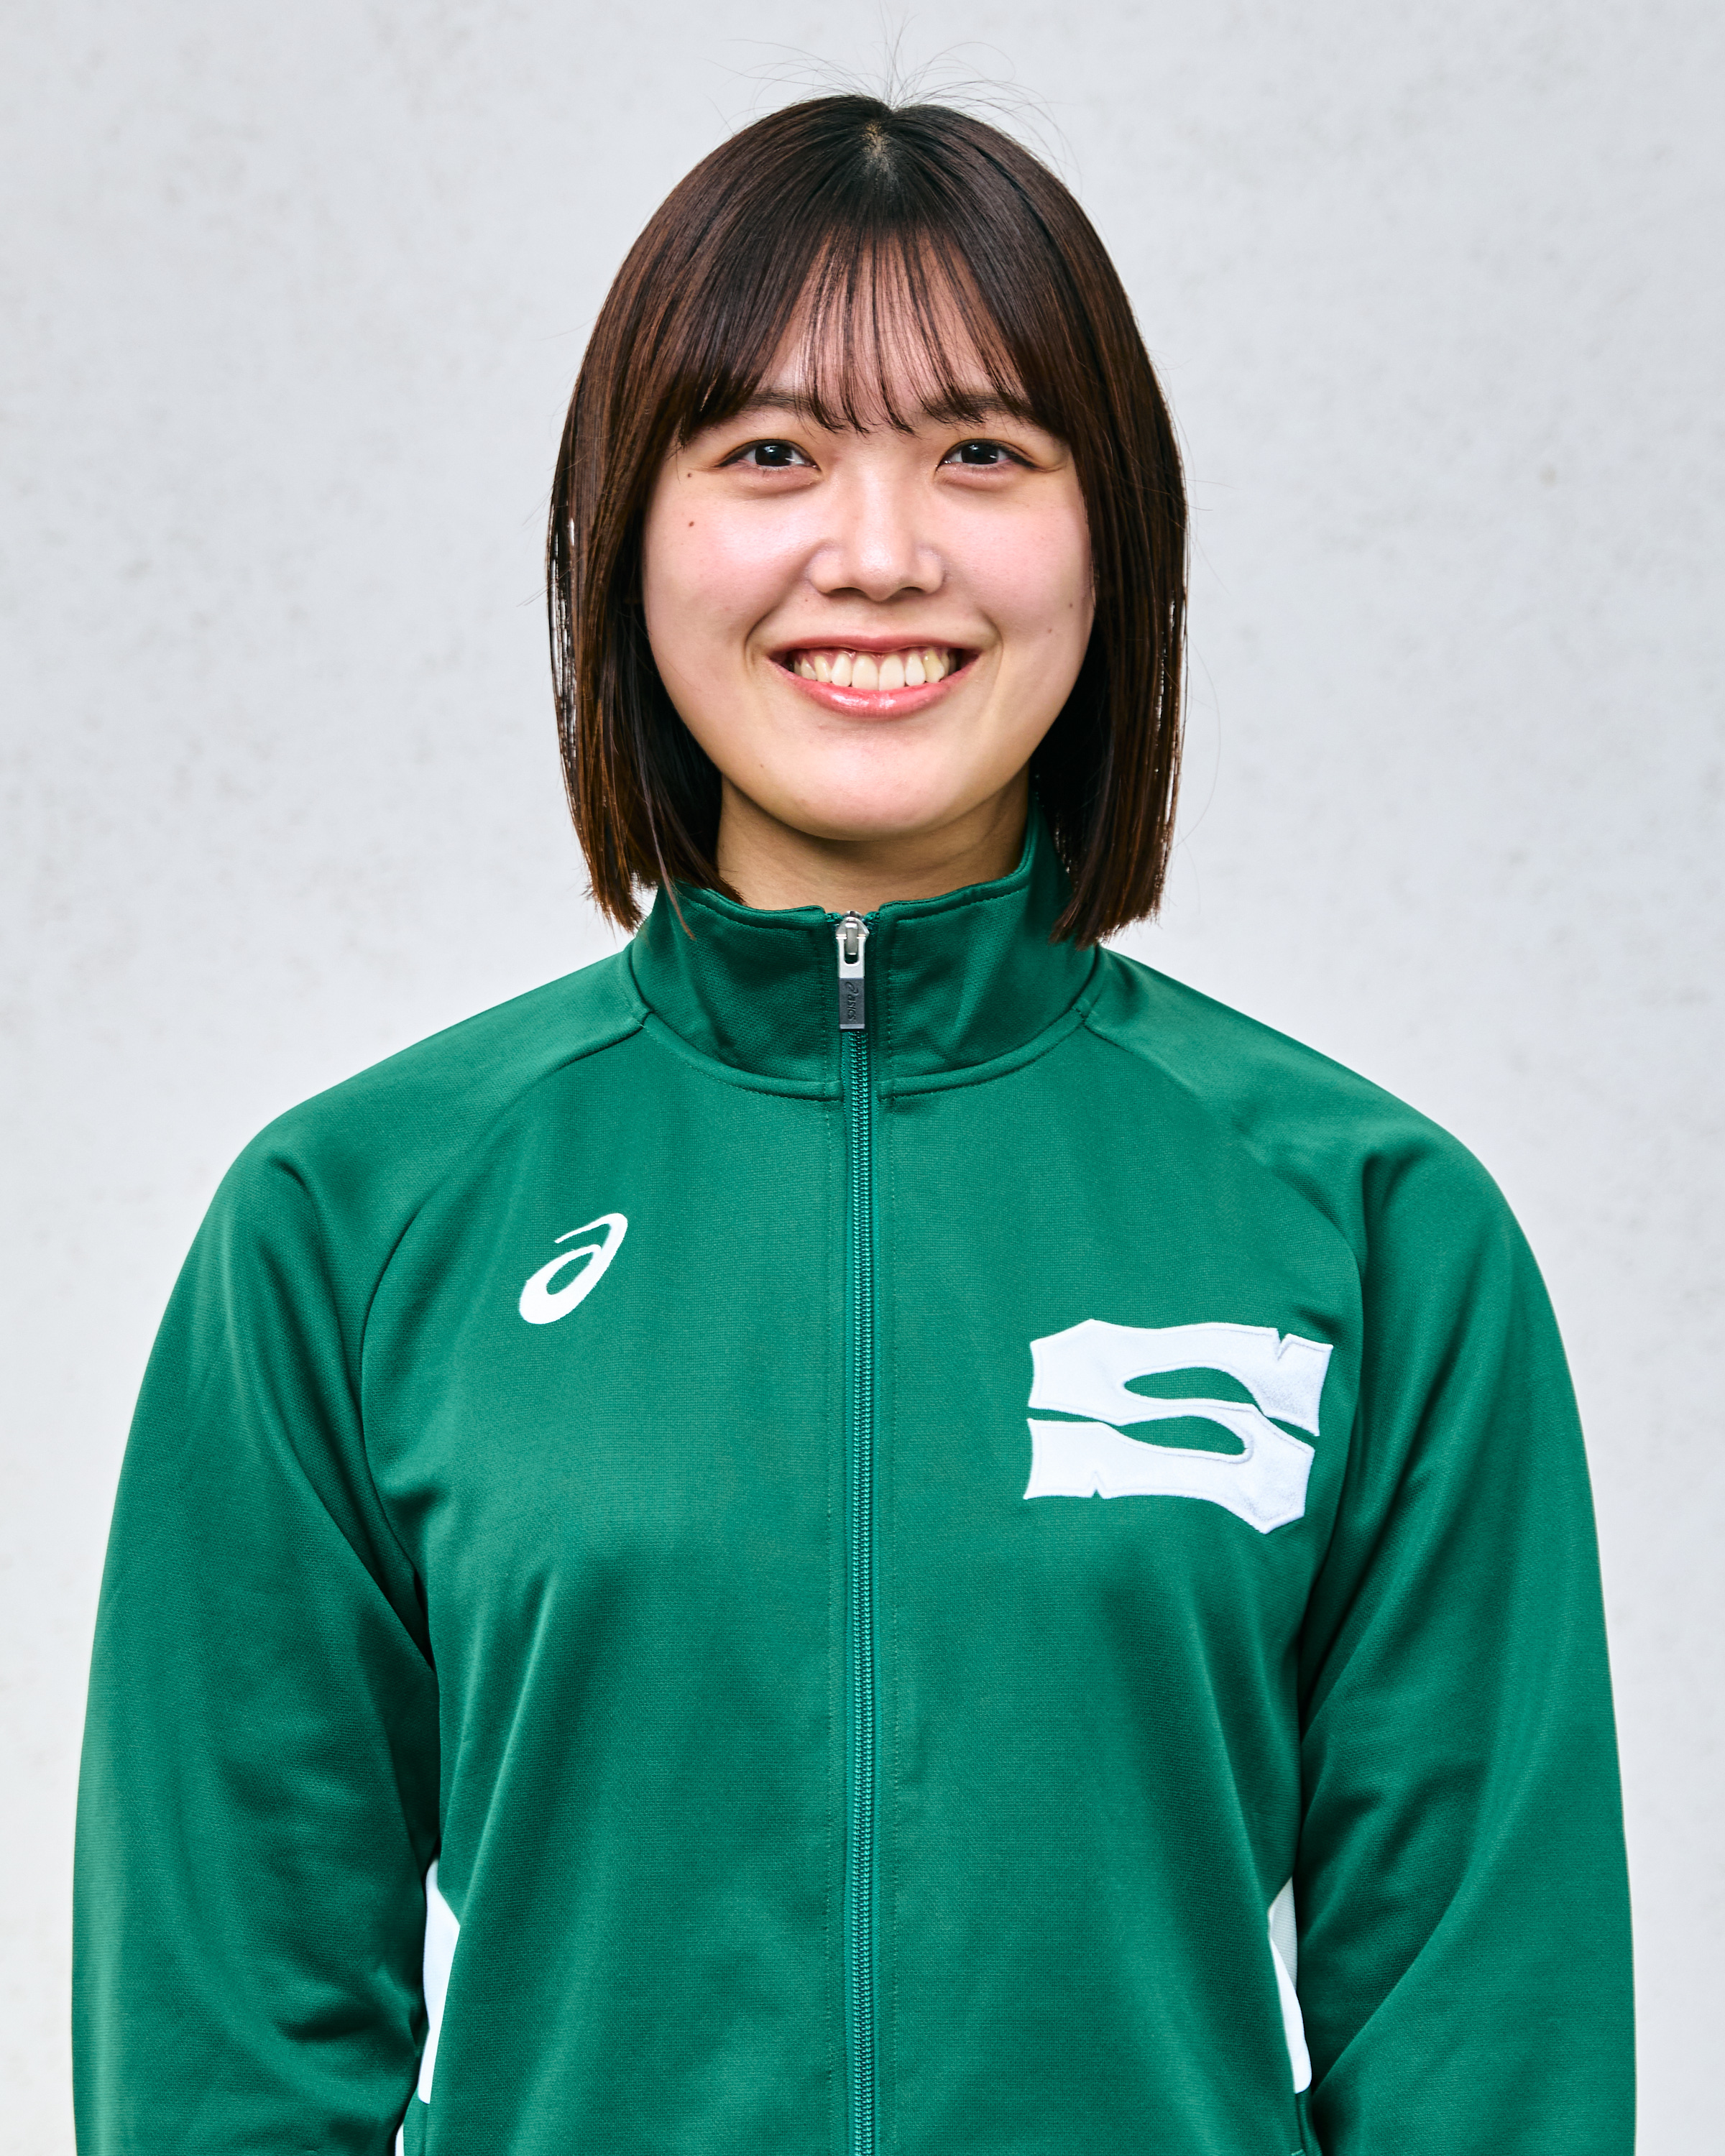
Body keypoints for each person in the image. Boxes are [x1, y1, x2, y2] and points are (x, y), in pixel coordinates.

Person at [73, 95, 1633, 2156]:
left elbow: (1491, 2055)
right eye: (771, 455)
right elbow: (220, 2055)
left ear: (1114, 536)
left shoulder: (1373, 1234)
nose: (879, 554)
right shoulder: (348, 1227)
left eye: (982, 452)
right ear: (628, 540)